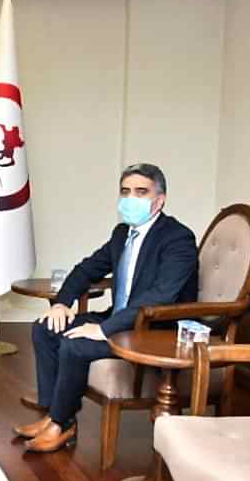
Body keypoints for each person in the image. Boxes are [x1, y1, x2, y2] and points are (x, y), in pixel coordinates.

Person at [14, 163, 198, 453]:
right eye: (125, 191)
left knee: (75, 345)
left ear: (160, 200)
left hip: (154, 329)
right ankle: (53, 416)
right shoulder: (122, 233)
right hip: (121, 318)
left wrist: (103, 329)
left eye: (141, 192)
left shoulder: (178, 238)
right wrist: (62, 303)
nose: (131, 199)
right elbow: (87, 269)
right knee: (46, 328)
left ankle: (61, 424)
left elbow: (161, 296)